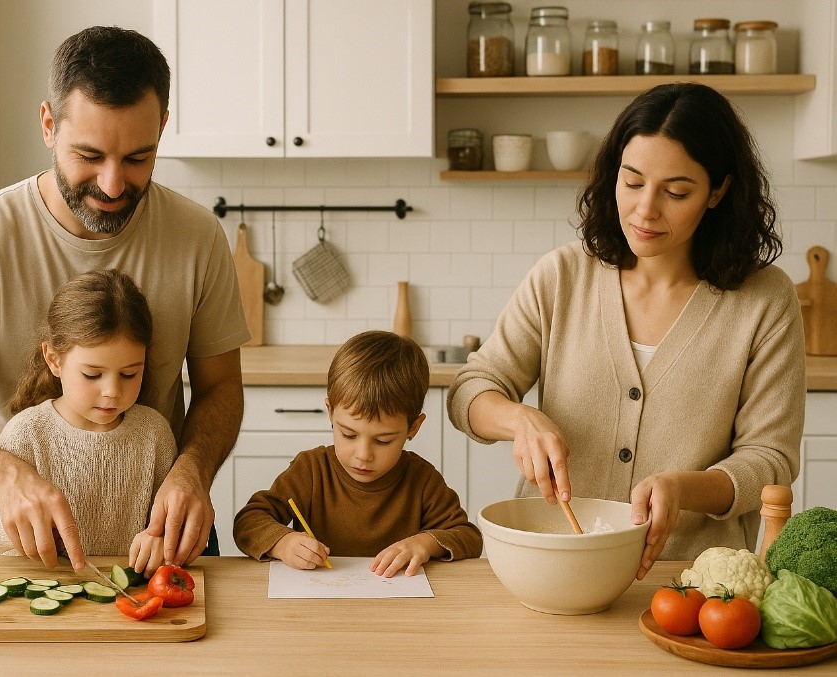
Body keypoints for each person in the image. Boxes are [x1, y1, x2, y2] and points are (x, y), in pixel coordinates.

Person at [0, 26, 251, 572]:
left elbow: (221, 388)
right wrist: (9, 477)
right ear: (48, 124)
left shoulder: (198, 237)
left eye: (138, 157)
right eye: (89, 155)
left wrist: (191, 471)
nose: (113, 184)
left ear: (162, 128)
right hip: (1, 512)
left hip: (153, 520)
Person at [447, 82, 805, 580]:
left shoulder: (764, 300)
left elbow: (771, 460)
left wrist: (684, 489)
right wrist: (519, 420)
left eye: (676, 192)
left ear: (718, 191)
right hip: (552, 565)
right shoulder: (563, 277)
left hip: (690, 581)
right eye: (632, 182)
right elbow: (470, 390)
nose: (645, 209)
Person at [0, 270, 176, 575]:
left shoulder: (154, 434)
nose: (112, 391)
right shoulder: (27, 433)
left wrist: (161, 538)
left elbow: (169, 519)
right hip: (41, 594)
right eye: (92, 374)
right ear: (54, 359)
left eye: (130, 374)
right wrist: (25, 522)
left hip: (125, 600)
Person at [234, 330, 482, 578]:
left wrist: (426, 543)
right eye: (349, 435)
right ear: (330, 412)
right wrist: (282, 542)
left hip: (399, 608)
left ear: (413, 428)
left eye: (383, 441)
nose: (363, 455)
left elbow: (468, 537)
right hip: (318, 606)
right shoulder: (310, 470)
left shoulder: (422, 480)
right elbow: (249, 521)